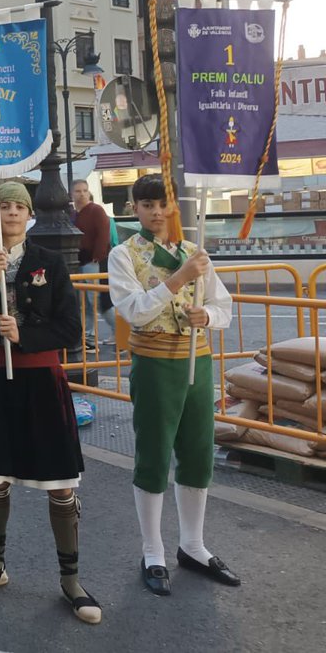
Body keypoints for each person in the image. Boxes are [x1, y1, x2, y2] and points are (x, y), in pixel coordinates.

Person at [0, 181, 101, 625]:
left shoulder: (50, 263)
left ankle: (71, 578)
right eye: (6, 206)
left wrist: (26, 336)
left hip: (42, 380)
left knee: (60, 482)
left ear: (29, 214)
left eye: (19, 205)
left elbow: (70, 331)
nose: (13, 213)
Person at [108, 174, 238, 597]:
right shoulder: (123, 255)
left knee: (199, 453)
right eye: (147, 204)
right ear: (135, 208)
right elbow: (135, 312)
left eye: (162, 203)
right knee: (154, 455)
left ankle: (193, 544)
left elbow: (223, 305)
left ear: (174, 207)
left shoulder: (194, 253)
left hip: (197, 360)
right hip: (155, 363)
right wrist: (180, 279)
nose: (156, 211)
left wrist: (208, 318)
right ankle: (152, 551)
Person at [71, 180, 113, 347]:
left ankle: (92, 337)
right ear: (72, 194)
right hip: (81, 261)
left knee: (95, 301)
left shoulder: (95, 210)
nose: (82, 194)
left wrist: (98, 255)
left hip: (92, 261)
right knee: (86, 303)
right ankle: (88, 338)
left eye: (85, 190)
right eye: (78, 191)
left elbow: (104, 233)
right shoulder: (75, 214)